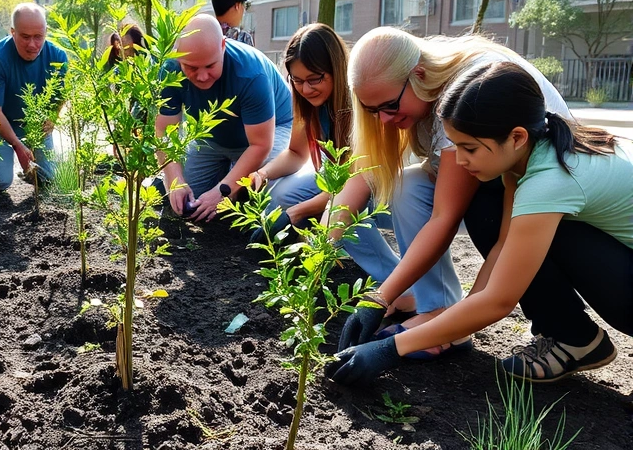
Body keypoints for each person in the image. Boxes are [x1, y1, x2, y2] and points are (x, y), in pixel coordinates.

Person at [328, 61, 631, 386]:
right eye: (455, 145)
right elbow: (503, 247)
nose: (458, 159)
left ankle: (573, 337)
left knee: (537, 227)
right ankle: (576, 338)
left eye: (469, 148)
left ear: (516, 137)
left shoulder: (550, 182)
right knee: (490, 210)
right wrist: (392, 306)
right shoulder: (535, 151)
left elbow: (500, 300)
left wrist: (391, 349)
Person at [329, 27, 571, 356]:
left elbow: (445, 217)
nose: (383, 120)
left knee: (434, 198)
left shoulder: (461, 96)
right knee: (401, 187)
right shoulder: (417, 80)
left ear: (418, 75)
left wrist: (379, 298)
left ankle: (443, 318)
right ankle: (431, 305)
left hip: (545, 198)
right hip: (502, 183)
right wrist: (323, 247)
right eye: (372, 111)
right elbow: (365, 175)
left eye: (388, 105)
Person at [156, 14, 292, 222]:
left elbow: (261, 144)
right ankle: (229, 174)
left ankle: (236, 184)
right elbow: (165, 133)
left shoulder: (250, 73)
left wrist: (223, 190)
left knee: (267, 195)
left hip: (271, 132)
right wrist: (175, 180)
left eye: (210, 66)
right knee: (192, 198)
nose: (202, 76)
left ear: (223, 46)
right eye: (191, 67)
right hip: (212, 137)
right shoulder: (170, 71)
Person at [250, 23, 352, 233]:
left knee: (342, 215)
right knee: (279, 195)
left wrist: (294, 213)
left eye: (314, 79)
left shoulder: (355, 105)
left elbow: (351, 186)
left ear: (336, 68)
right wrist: (262, 173)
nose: (306, 89)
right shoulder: (309, 104)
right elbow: (296, 154)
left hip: (369, 182)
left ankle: (386, 266)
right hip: (334, 176)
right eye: (297, 80)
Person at [0, 3, 68, 191]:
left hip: (36, 125)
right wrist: (18, 145)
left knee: (47, 179)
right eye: (25, 37)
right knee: (1, 182)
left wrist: (52, 117)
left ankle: (31, 173)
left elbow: (60, 96)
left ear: (46, 31)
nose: (32, 45)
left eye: (38, 37)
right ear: (13, 32)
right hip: (2, 124)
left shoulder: (58, 57)